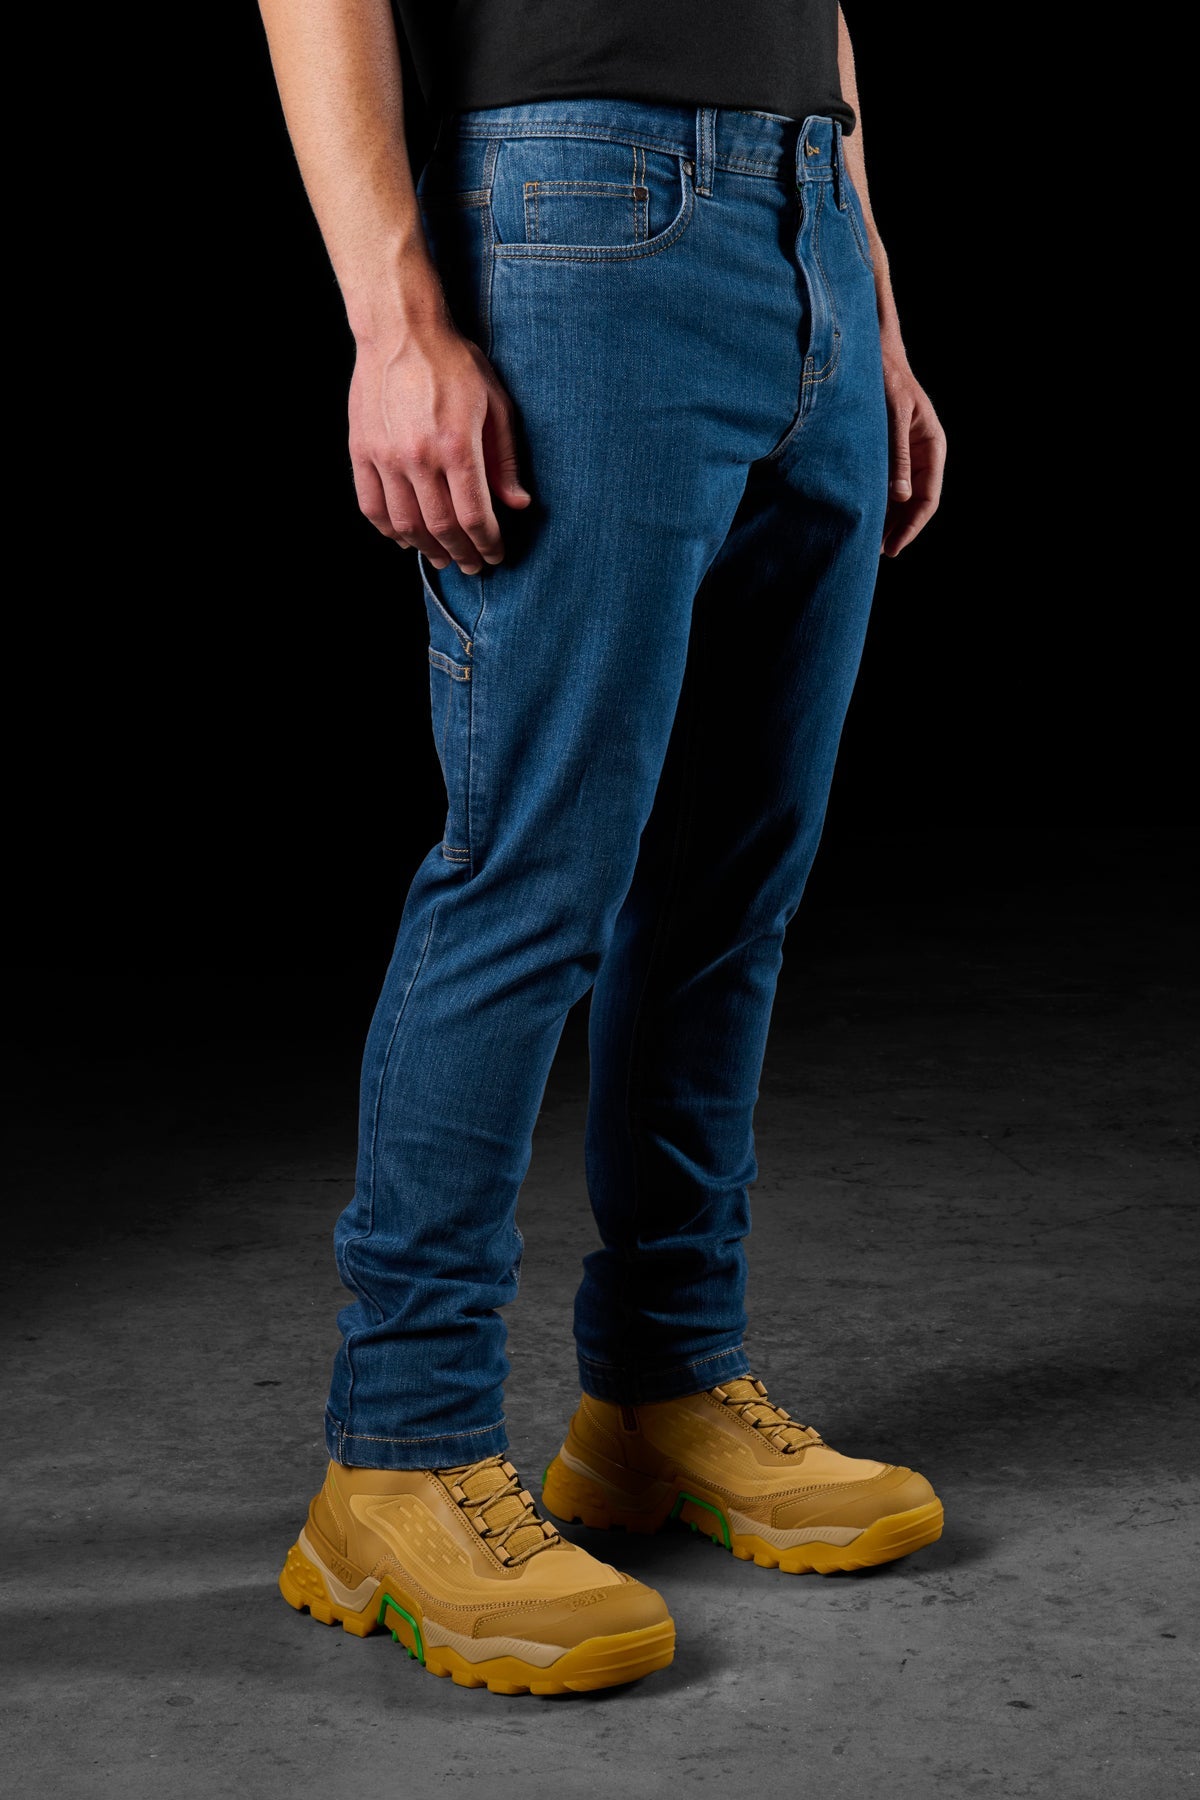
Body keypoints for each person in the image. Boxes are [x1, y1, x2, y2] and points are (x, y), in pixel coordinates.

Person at [258, 0, 948, 1696]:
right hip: (579, 213)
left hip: (803, 208)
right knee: (534, 876)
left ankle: (660, 1383)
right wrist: (395, 321)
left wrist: (866, 292)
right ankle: (400, 1454)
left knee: (731, 883)